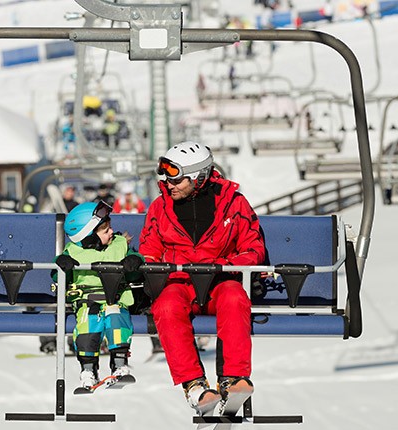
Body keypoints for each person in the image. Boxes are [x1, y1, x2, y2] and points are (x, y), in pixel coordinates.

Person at [138, 141, 265, 415]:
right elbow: (149, 250)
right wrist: (156, 271)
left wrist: (226, 265)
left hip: (220, 280)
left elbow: (253, 247)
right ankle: (194, 384)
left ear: (198, 177)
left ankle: (233, 378)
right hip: (180, 283)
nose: (169, 185)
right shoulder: (161, 208)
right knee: (167, 306)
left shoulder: (233, 204)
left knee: (234, 297)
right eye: (167, 178)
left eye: (177, 179)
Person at [53, 201, 144, 389]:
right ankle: (88, 369)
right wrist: (63, 266)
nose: (111, 232)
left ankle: (119, 364)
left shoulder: (120, 245)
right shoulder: (72, 253)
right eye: (105, 231)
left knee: (117, 320)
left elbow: (138, 267)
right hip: (88, 302)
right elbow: (57, 275)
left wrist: (134, 262)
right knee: (88, 325)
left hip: (115, 299)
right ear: (89, 238)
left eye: (110, 228)